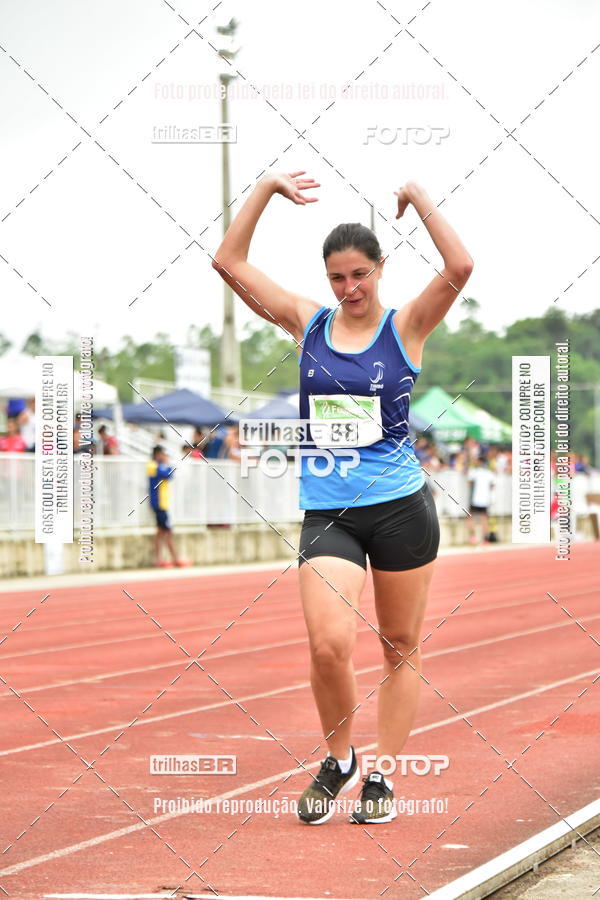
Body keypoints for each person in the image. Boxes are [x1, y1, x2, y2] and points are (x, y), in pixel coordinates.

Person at [212, 170, 473, 825]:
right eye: (337, 277)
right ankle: (340, 758)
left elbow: (461, 264)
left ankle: (382, 774)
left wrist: (418, 198)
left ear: (379, 270)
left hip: (399, 507)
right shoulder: (307, 323)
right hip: (329, 509)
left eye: (359, 274)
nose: (349, 288)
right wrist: (267, 188)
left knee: (399, 645)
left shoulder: (407, 325)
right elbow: (229, 261)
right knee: (328, 647)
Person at [146, 445, 190, 568]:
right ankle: (174, 559)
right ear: (157, 454)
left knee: (160, 532)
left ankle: (158, 560)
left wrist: (167, 465)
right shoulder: (152, 465)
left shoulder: (156, 465)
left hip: (162, 503)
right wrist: (168, 464)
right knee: (168, 531)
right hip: (158, 503)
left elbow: (169, 475)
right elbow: (167, 474)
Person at [466, 455, 496, 545]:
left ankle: (472, 537)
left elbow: (469, 484)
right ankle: (485, 540)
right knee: (484, 519)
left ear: (479, 462)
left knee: (469, 518)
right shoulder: (489, 473)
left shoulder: (474, 472)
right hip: (485, 500)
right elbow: (493, 485)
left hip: (475, 499)